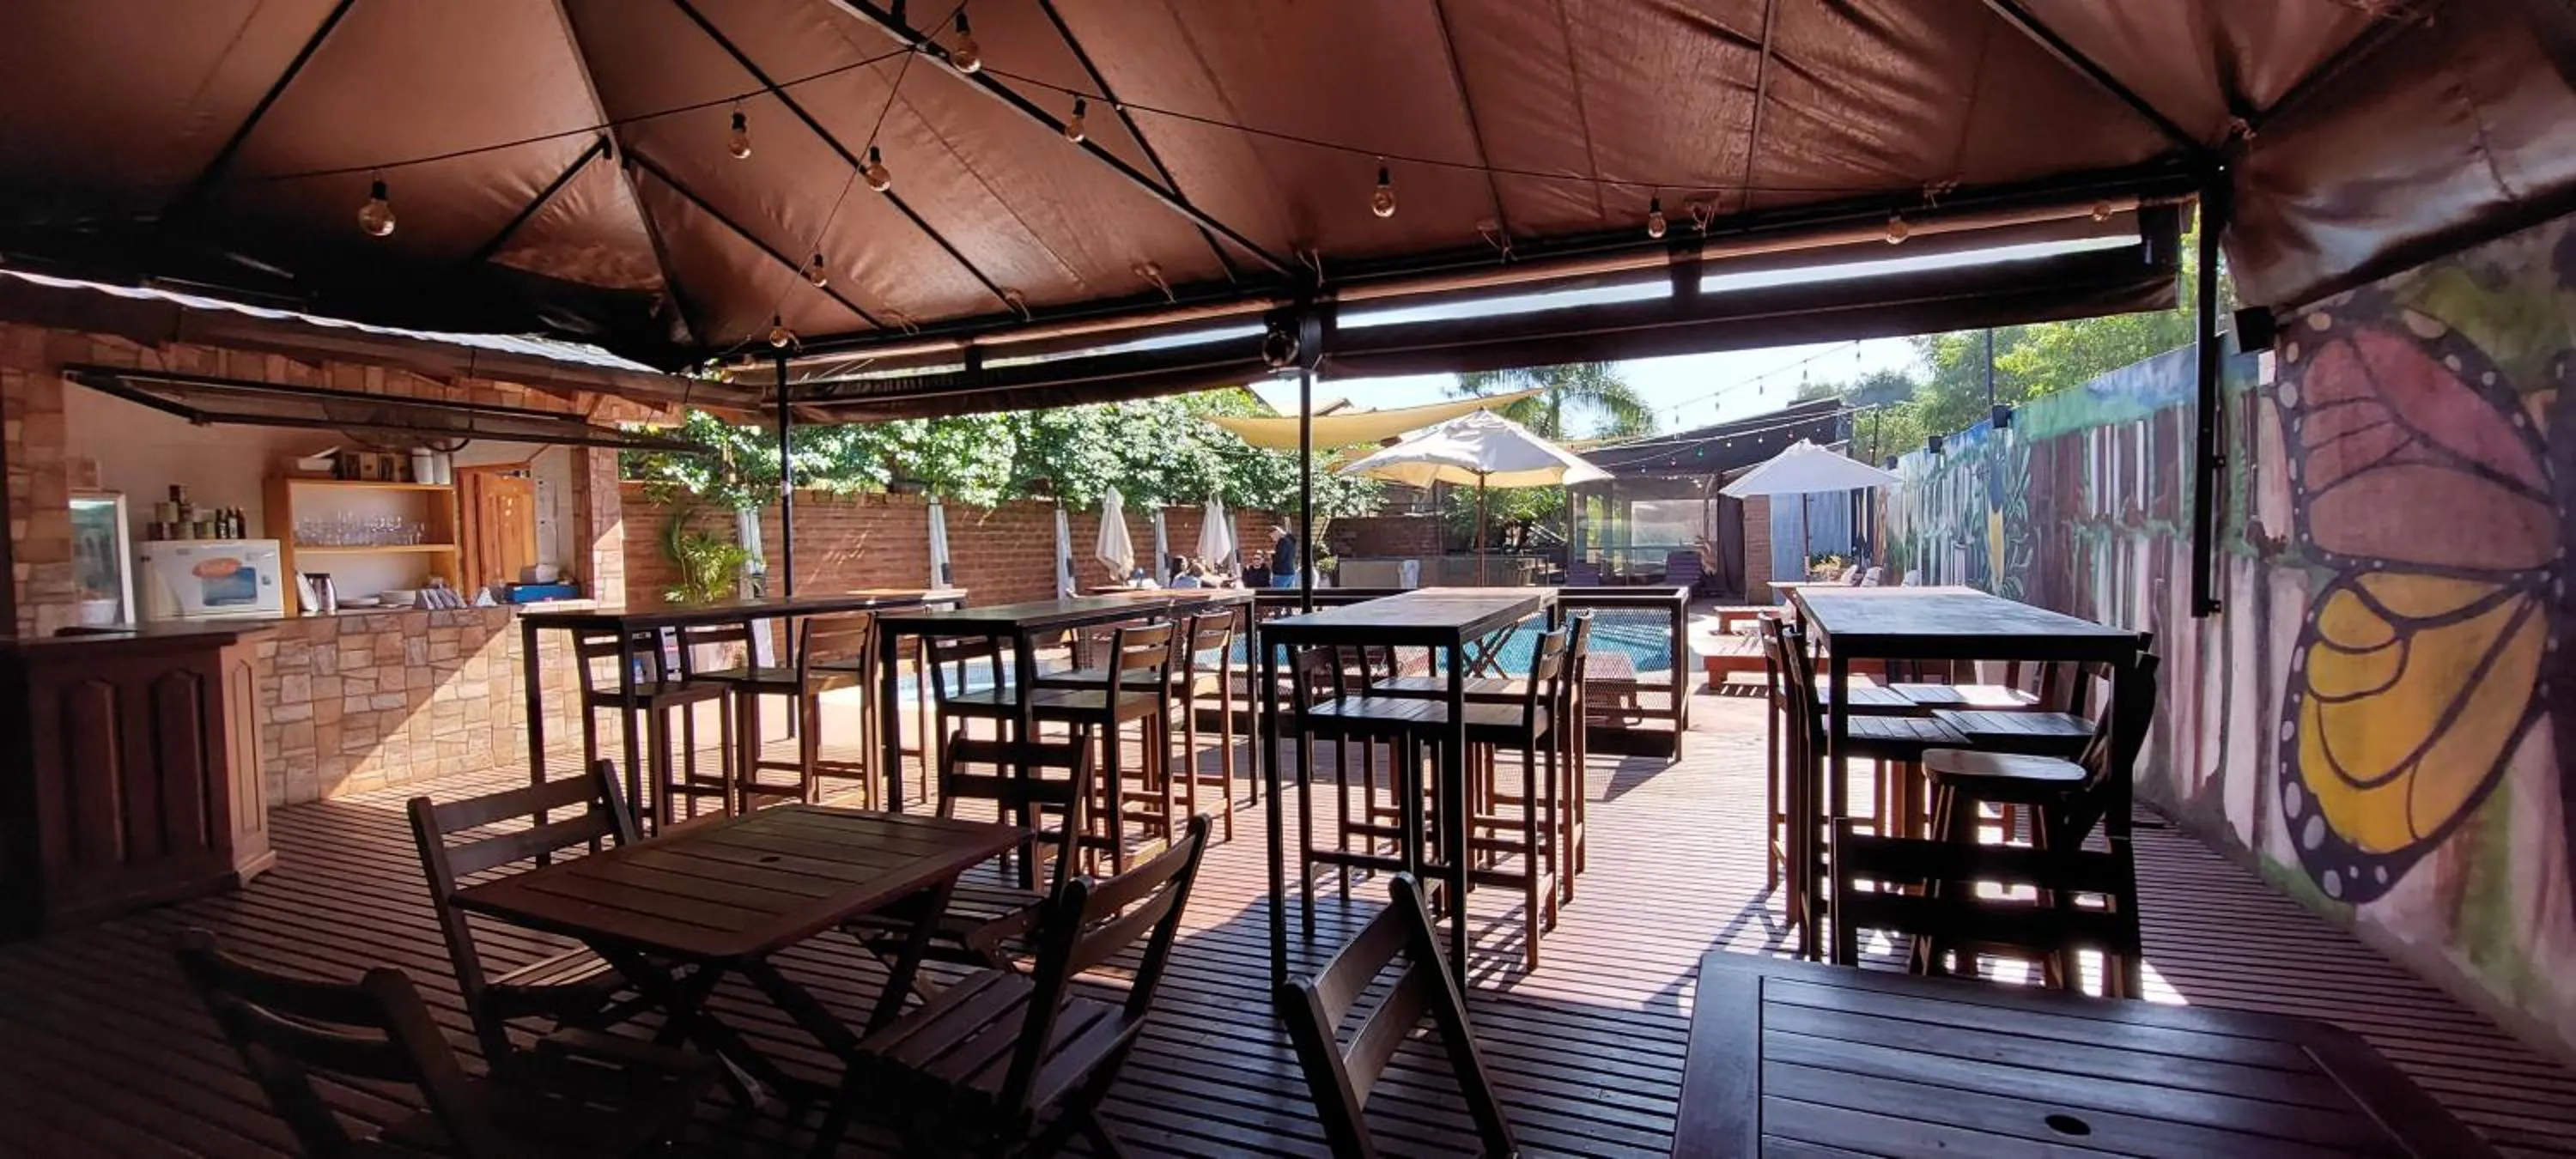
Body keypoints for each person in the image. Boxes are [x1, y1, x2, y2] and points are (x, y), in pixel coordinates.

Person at [1269, 525, 1300, 589]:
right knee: (1290, 596)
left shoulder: (1282, 541)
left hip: (1281, 574)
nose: (1272, 539)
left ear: (1276, 532)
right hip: (1291, 572)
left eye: (1272, 536)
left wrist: (1272, 555)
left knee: (1278, 596)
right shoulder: (1291, 539)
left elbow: (1280, 558)